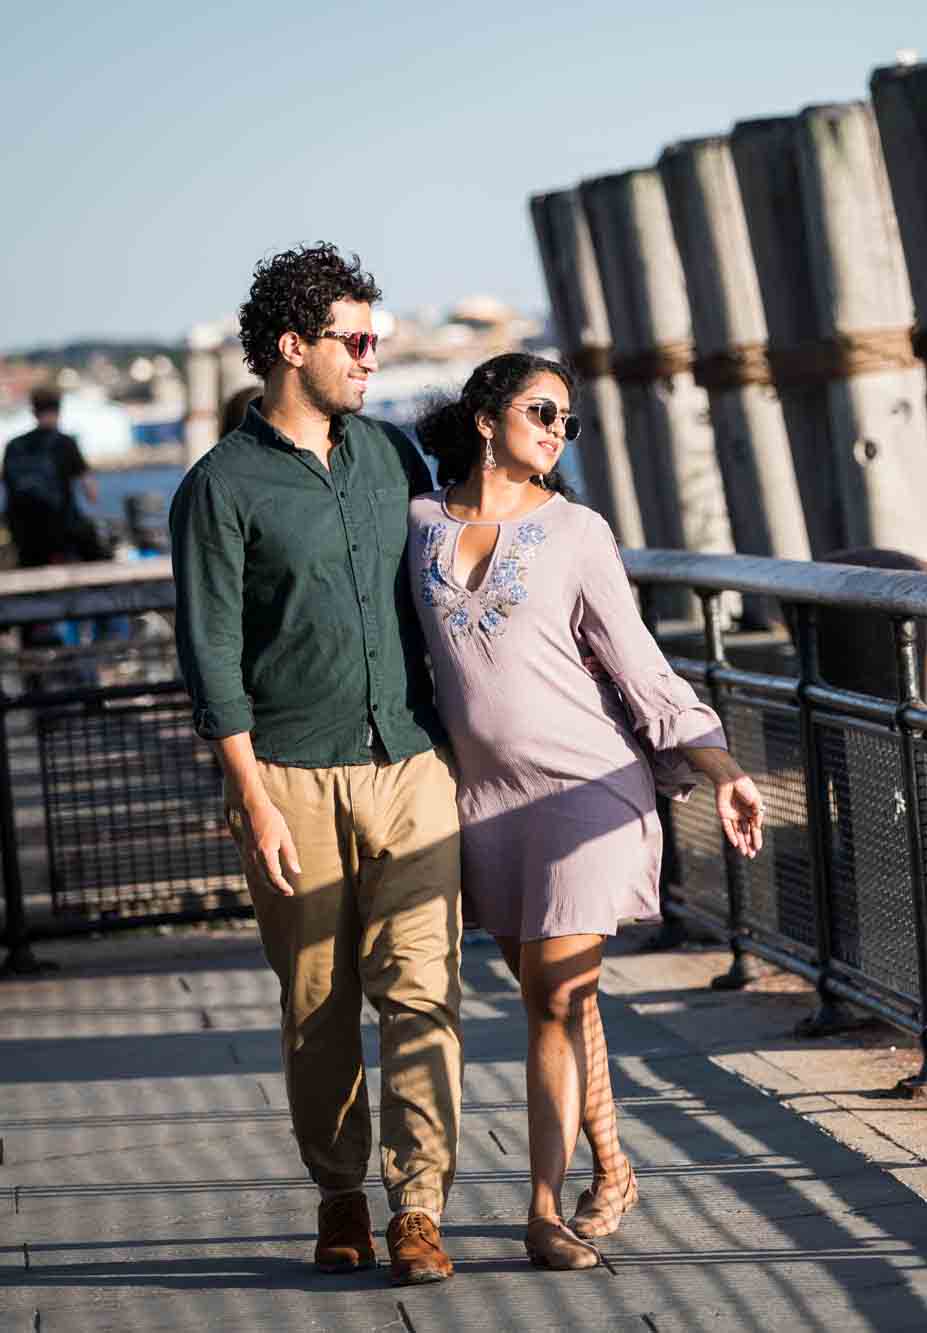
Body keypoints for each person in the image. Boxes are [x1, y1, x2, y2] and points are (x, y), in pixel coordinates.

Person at [408, 352, 763, 1270]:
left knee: (556, 1000)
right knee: (555, 999)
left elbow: (643, 670)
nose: (557, 430)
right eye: (541, 410)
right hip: (485, 805)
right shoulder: (414, 527)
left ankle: (541, 1212)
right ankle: (613, 1165)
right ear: (484, 416)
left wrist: (721, 768)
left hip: (585, 789)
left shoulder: (578, 533)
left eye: (568, 420)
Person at [168, 243, 464, 1286]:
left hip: (410, 760)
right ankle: (340, 1193)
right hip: (290, 771)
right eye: (356, 340)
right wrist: (252, 799)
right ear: (292, 347)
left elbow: (451, 589)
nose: (372, 358)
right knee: (318, 1000)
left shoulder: (391, 457)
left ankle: (417, 1206)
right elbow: (208, 650)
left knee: (424, 988)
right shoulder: (220, 488)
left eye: (375, 339)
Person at [5, 385, 100, 569]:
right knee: (94, 548)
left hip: (25, 535)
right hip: (62, 532)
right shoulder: (65, 443)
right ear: (59, 409)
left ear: (33, 411)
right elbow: (92, 493)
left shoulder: (13, 446)